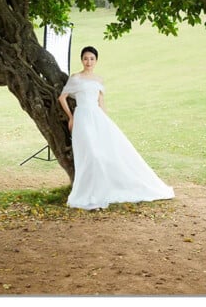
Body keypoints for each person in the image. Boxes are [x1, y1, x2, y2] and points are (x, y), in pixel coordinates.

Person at [58, 46, 175, 210]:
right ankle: (89, 191)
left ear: (96, 61)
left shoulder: (98, 80)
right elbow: (62, 97)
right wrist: (71, 117)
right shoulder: (76, 78)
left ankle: (110, 186)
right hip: (82, 117)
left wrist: (106, 121)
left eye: (92, 59)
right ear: (81, 60)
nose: (88, 62)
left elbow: (101, 102)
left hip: (97, 117)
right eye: (85, 58)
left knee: (109, 152)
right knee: (91, 154)